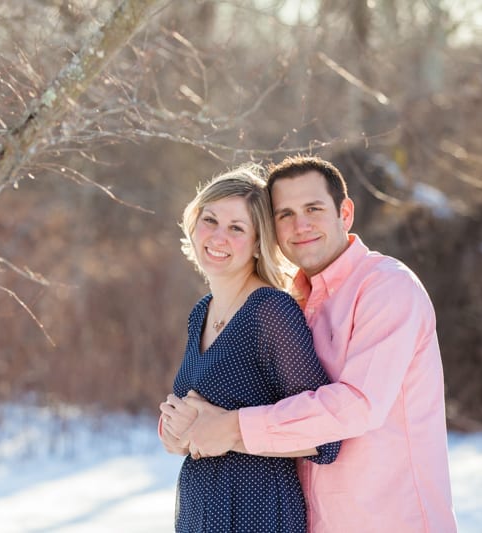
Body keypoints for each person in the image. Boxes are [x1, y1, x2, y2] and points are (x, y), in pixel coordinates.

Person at [161, 155, 458, 532]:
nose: (300, 225)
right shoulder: (299, 301)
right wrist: (180, 429)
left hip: (387, 519)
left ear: (344, 213)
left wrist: (231, 429)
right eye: (285, 214)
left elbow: (358, 404)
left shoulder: (386, 287)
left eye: (313, 208)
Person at [158, 164, 340, 533]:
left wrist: (225, 433)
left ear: (258, 242)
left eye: (236, 228)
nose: (218, 236)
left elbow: (324, 438)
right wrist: (175, 432)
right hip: (200, 509)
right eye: (210, 219)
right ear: (193, 223)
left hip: (256, 508)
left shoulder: (270, 310)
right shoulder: (201, 312)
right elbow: (196, 413)